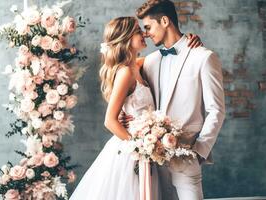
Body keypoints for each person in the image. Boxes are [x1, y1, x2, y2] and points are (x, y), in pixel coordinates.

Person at [70, 16, 201, 200]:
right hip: (133, 152)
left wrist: (188, 41)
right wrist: (142, 147)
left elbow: (171, 52)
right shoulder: (125, 73)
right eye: (138, 31)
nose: (145, 34)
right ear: (126, 38)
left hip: (146, 149)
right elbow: (110, 121)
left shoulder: (137, 65)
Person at [133, 0, 226, 199]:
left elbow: (216, 110)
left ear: (165, 20)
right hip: (153, 160)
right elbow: (121, 77)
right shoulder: (149, 61)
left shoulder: (203, 57)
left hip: (185, 156)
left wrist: (199, 151)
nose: (146, 33)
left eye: (148, 27)